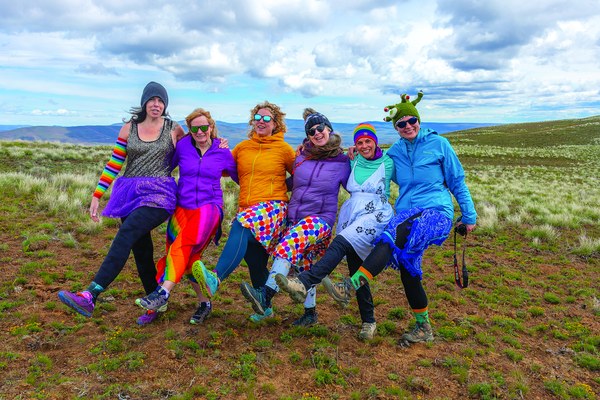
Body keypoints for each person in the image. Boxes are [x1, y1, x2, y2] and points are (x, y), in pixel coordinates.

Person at [282, 91, 476, 345]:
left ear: (418, 120)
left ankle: (344, 286)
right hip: (405, 212)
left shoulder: (439, 145)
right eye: (401, 124)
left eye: (411, 121)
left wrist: (469, 215)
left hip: (435, 210)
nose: (407, 126)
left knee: (392, 236)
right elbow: (374, 160)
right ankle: (423, 327)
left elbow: (457, 180)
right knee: (408, 269)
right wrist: (318, 149)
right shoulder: (395, 152)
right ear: (396, 128)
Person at [58, 81, 185, 325]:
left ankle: (91, 294)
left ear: (165, 104)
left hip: (159, 194)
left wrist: (218, 144)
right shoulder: (129, 128)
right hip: (130, 194)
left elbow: (196, 148)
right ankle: (156, 303)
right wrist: (97, 194)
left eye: (160, 100)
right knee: (141, 250)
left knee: (127, 232)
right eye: (152, 99)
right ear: (144, 102)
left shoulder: (174, 129)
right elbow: (115, 163)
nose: (156, 104)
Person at [276, 123, 395, 338]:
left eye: (368, 141)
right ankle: (369, 321)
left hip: (375, 215)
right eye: (360, 142)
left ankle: (304, 281)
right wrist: (304, 148)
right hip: (353, 215)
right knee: (356, 266)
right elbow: (328, 157)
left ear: (376, 142)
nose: (364, 146)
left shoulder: (389, 161)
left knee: (340, 242)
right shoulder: (352, 159)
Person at [239, 110, 350, 326]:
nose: (317, 133)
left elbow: (355, 186)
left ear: (329, 129)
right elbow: (291, 183)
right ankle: (310, 313)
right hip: (295, 218)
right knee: (303, 265)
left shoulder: (343, 161)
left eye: (320, 128)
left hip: (320, 219)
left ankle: (265, 296)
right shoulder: (301, 157)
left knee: (287, 246)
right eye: (311, 131)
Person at [192, 101, 296, 322]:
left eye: (266, 118)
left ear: (275, 123)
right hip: (249, 207)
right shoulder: (243, 148)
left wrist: (283, 187)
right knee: (255, 259)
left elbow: (302, 174)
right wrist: (216, 147)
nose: (261, 121)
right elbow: (224, 166)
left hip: (273, 207)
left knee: (241, 225)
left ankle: (215, 279)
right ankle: (265, 308)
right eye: (258, 117)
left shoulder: (284, 149)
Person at [133, 108, 238, 325]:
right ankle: (204, 304)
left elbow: (240, 176)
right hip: (182, 208)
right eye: (194, 128)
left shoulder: (222, 150)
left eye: (204, 127)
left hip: (210, 208)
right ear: (189, 130)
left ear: (211, 127)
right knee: (186, 258)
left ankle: (162, 293)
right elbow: (163, 168)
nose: (200, 132)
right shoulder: (183, 146)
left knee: (183, 245)